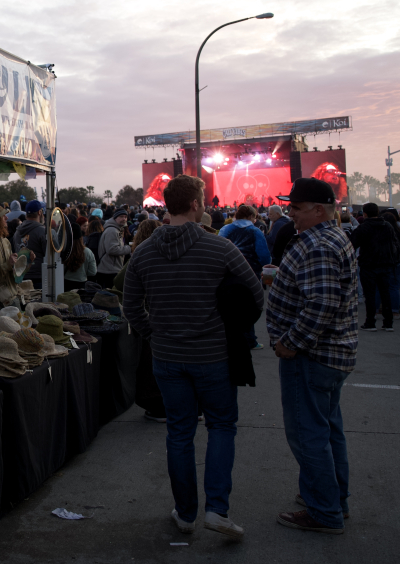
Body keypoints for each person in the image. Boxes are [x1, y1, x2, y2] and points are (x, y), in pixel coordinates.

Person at [123, 175, 262, 540]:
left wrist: (154, 333)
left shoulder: (143, 252)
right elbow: (254, 295)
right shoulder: (220, 248)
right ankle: (217, 509)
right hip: (213, 355)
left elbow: (131, 307)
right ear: (197, 205)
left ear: (167, 204)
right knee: (220, 426)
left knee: (179, 433)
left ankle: (185, 514)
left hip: (167, 358)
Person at [263, 178, 358, 534]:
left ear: (319, 210)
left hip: (313, 355)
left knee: (308, 435)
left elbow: (322, 303)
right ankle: (333, 499)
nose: (291, 215)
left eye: (296, 209)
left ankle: (323, 510)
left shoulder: (318, 244)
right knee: (328, 430)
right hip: (328, 354)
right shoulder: (329, 238)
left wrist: (292, 341)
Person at [219, 205, 270, 349]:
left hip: (228, 272)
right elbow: (264, 255)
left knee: (229, 305)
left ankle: (230, 339)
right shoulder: (255, 231)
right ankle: (250, 340)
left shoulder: (226, 229)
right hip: (251, 272)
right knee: (249, 305)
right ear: (250, 217)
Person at [349, 203, 399, 332]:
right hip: (386, 263)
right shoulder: (387, 226)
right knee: (385, 292)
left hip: (368, 264)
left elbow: (351, 246)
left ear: (365, 214)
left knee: (370, 294)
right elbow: (394, 244)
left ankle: (370, 321)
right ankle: (388, 322)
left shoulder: (363, 228)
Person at [96, 208, 132, 288]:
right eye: (121, 217)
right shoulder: (112, 231)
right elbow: (112, 249)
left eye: (125, 217)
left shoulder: (117, 229)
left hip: (111, 268)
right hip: (109, 270)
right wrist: (129, 248)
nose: (124, 219)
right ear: (115, 218)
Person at [11, 200, 45, 285]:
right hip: (39, 277)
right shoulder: (42, 231)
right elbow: (49, 255)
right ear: (39, 212)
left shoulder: (17, 231)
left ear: (26, 214)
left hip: (21, 276)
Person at [63, 223, 96, 290]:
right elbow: (93, 272)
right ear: (81, 237)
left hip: (65, 283)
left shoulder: (64, 251)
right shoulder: (88, 252)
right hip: (81, 283)